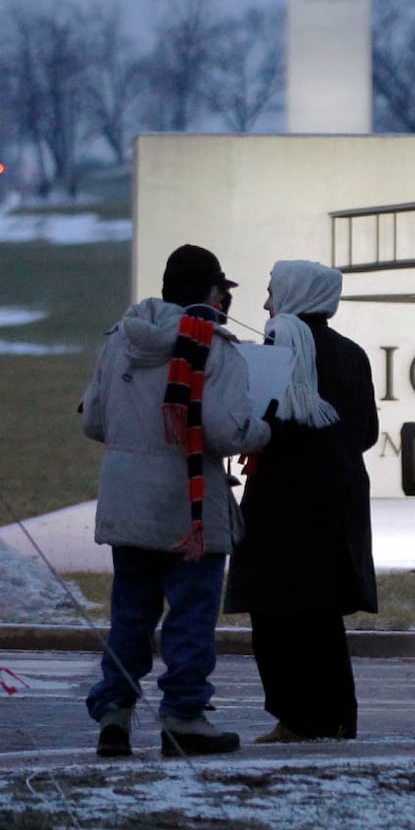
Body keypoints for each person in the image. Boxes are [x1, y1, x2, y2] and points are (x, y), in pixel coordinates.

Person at [81, 244, 271, 758]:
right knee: (189, 617)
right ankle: (183, 717)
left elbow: (92, 420)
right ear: (212, 293)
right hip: (191, 508)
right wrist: (264, 430)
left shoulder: (121, 340)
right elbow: (225, 430)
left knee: (131, 616)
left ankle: (115, 716)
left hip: (127, 502)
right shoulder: (213, 346)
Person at [224, 259, 379, 743]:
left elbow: (263, 425)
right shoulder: (351, 354)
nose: (266, 303)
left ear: (294, 295)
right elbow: (367, 433)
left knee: (275, 616)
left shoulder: (279, 349)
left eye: (272, 292)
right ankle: (336, 716)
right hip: (337, 500)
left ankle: (295, 717)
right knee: (321, 616)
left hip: (283, 502)